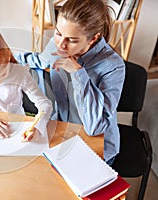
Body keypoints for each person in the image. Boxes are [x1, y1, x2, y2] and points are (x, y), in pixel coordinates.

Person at [15, 0, 125, 165]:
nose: (60, 44)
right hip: (62, 134)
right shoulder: (58, 45)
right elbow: (39, 61)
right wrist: (1, 56)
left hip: (96, 145)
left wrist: (78, 73)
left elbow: (94, 127)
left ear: (92, 39)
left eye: (72, 40)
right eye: (58, 33)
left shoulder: (113, 67)